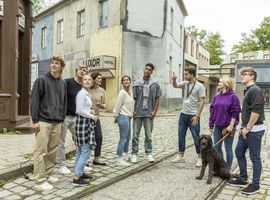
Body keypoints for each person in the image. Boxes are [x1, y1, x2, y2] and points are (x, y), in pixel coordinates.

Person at [30, 56, 67, 191]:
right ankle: (39, 181)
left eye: (57, 63)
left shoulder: (63, 83)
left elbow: (64, 103)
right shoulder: (41, 80)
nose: (53, 65)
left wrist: (62, 120)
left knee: (52, 151)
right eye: (52, 63)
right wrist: (35, 120)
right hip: (43, 121)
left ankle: (48, 174)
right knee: (41, 151)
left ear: (61, 67)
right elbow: (34, 101)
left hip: (57, 122)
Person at [227, 67, 265, 195]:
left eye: (244, 74)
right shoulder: (249, 90)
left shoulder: (255, 90)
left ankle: (255, 184)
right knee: (239, 152)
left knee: (255, 157)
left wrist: (247, 128)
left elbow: (256, 111)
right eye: (241, 74)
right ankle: (243, 178)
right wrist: (242, 127)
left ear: (252, 76)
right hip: (246, 130)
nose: (241, 76)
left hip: (254, 130)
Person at [55, 65, 93, 175]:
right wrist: (59, 117)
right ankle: (61, 165)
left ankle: (80, 164)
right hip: (65, 117)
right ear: (76, 71)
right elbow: (59, 98)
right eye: (80, 69)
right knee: (60, 142)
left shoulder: (84, 85)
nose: (82, 71)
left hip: (77, 118)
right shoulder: (67, 82)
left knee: (80, 142)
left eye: (85, 70)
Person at [171, 66, 205, 167]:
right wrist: (174, 80)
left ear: (192, 74)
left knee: (196, 137)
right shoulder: (185, 83)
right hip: (183, 114)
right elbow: (175, 85)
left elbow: (202, 101)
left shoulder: (200, 86)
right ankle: (181, 156)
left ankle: (200, 158)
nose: (185, 76)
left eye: (186, 74)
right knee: (181, 136)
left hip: (193, 115)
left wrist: (197, 116)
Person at [130, 63, 162, 163]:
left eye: (149, 70)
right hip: (138, 113)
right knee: (135, 135)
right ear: (144, 70)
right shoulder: (137, 83)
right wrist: (133, 110)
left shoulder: (155, 84)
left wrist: (154, 111)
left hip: (149, 114)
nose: (147, 71)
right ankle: (134, 154)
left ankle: (149, 153)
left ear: (152, 72)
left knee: (148, 135)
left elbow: (157, 99)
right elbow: (134, 99)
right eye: (146, 69)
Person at [209, 77, 241, 169]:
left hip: (228, 127)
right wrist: (211, 125)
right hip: (218, 126)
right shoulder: (216, 96)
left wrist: (231, 126)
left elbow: (235, 112)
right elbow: (212, 111)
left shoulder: (233, 96)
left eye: (220, 82)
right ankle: (221, 166)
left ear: (226, 84)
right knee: (217, 148)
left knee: (228, 148)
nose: (218, 83)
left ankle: (228, 168)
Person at [73, 73, 98, 186]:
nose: (87, 81)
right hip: (82, 124)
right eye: (85, 80)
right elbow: (78, 110)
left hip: (84, 123)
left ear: (91, 82)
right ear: (82, 82)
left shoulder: (86, 94)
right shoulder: (82, 93)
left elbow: (84, 108)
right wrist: (92, 116)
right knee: (86, 151)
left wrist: (90, 111)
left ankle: (79, 173)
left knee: (80, 151)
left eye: (89, 80)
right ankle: (77, 178)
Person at [113, 75, 134, 166]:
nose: (126, 81)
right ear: (122, 83)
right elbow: (118, 106)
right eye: (124, 80)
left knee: (128, 137)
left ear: (130, 82)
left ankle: (126, 154)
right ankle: (119, 158)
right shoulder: (122, 93)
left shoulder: (130, 92)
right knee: (123, 138)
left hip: (129, 117)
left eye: (127, 80)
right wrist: (115, 117)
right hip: (123, 117)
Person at [89, 72, 107, 166]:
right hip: (86, 117)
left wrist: (101, 105)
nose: (100, 80)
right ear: (93, 79)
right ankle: (85, 160)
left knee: (99, 137)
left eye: (101, 78)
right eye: (98, 78)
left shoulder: (102, 90)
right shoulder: (87, 89)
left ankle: (96, 159)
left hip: (96, 117)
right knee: (87, 139)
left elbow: (105, 106)